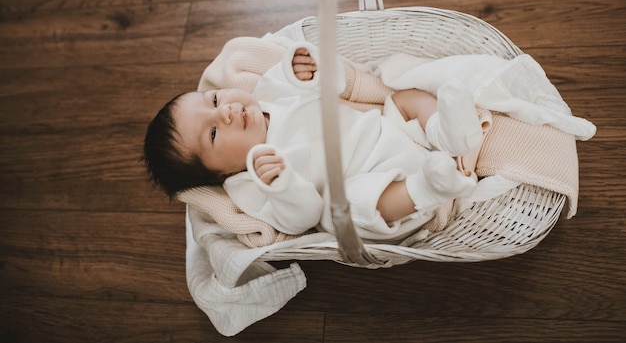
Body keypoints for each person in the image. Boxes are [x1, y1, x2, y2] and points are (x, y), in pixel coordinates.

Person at [143, 42, 486, 240]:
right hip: (373, 182)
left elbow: (328, 81)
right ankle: (430, 188)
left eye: (215, 101)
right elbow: (302, 219)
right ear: (220, 173)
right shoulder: (249, 183)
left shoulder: (269, 93)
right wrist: (283, 185)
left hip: (388, 131)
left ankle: (450, 133)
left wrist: (300, 66)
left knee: (404, 98)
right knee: (349, 208)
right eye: (214, 133)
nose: (227, 112)